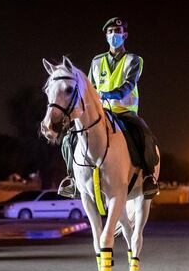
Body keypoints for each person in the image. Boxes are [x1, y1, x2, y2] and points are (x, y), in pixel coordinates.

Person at [59, 17, 160, 199]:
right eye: (110, 32)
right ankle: (72, 179)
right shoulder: (97, 61)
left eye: (118, 32)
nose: (114, 35)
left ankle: (148, 177)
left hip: (125, 111)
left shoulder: (134, 60)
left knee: (144, 134)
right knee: (69, 139)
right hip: (101, 113)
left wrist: (109, 94)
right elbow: (88, 87)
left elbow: (129, 84)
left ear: (125, 35)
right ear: (106, 36)